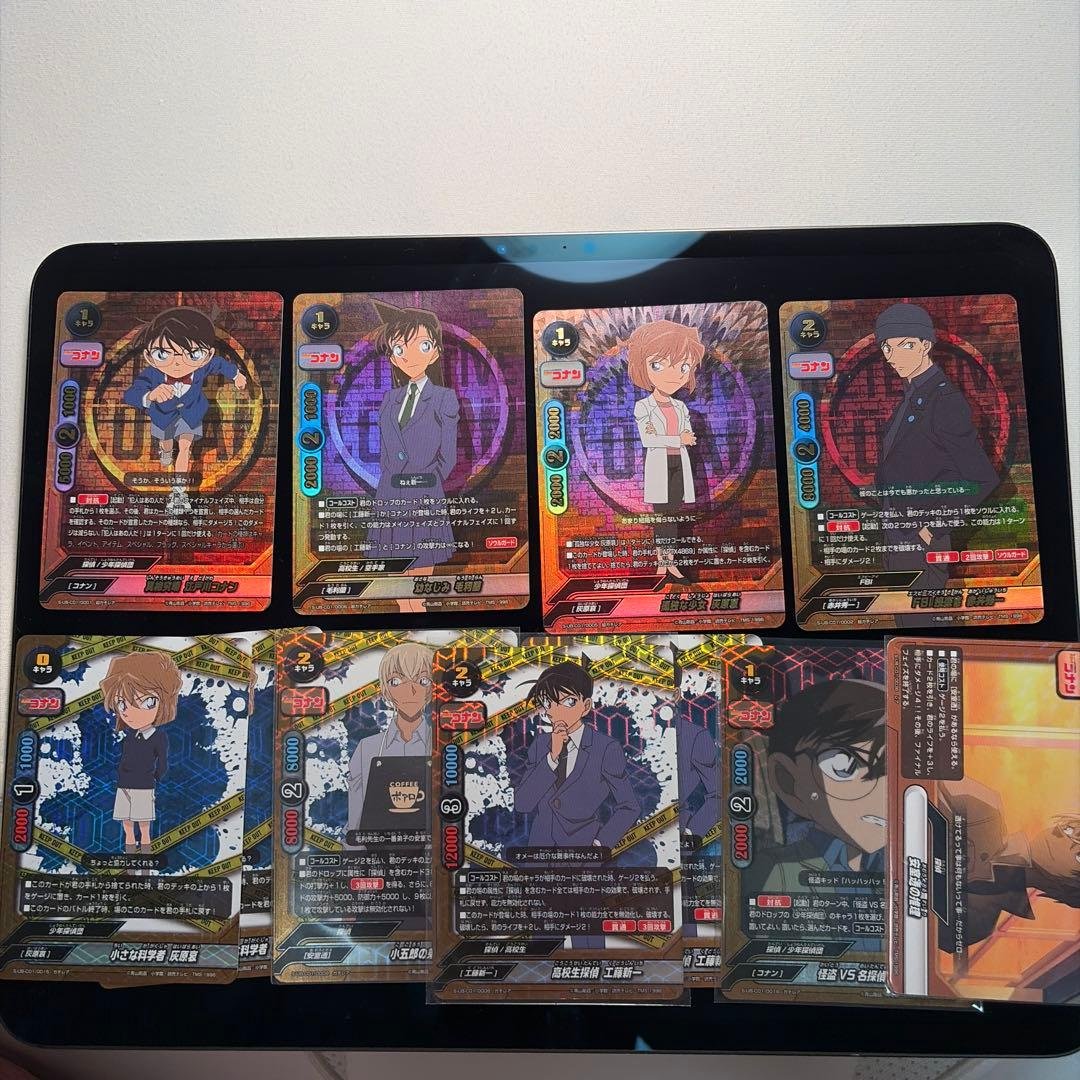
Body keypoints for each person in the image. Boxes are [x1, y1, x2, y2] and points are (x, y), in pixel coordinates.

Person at [873, 303, 998, 612]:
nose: (891, 355)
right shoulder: (912, 397)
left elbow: (982, 479)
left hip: (920, 537)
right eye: (886, 347)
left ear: (925, 345)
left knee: (920, 624)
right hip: (897, 533)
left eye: (904, 345)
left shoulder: (944, 400)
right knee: (904, 622)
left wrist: (932, 528)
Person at [747, 679, 887, 895]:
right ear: (788, 780)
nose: (882, 793)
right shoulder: (778, 868)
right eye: (844, 766)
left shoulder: (890, 867)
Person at [123, 307, 247, 513]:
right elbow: (130, 394)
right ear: (149, 356)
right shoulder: (151, 374)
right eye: (164, 354)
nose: (178, 363)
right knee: (166, 443)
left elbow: (219, 364)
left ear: (206, 355)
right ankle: (165, 451)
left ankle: (178, 493)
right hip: (162, 416)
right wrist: (150, 395)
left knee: (184, 448)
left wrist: (236, 375)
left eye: (192, 354)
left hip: (191, 414)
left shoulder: (204, 366)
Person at [366, 299, 459, 571]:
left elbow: (449, 453)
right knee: (393, 571)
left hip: (425, 489)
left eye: (422, 346)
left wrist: (431, 480)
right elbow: (386, 447)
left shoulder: (444, 398)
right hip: (390, 492)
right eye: (399, 348)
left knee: (421, 571)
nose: (409, 356)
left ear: (435, 352)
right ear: (393, 356)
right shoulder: (390, 399)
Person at [937, 780, 1080, 950]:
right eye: (1071, 829)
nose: (1063, 835)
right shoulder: (984, 806)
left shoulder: (978, 925)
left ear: (1072, 888)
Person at [513, 659, 640, 849]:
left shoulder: (605, 748)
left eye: (568, 702)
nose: (556, 711)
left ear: (586, 706)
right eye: (548, 702)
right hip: (539, 855)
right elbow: (523, 803)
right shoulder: (540, 745)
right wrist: (551, 758)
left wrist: (600, 844)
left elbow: (629, 806)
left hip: (583, 852)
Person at [626, 320, 705, 580]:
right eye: (659, 365)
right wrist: (679, 438)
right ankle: (664, 564)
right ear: (644, 367)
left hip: (678, 465)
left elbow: (687, 436)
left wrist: (682, 439)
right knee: (663, 516)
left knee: (674, 515)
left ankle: (671, 564)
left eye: (683, 367)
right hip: (660, 466)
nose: (674, 375)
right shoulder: (643, 406)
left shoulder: (681, 407)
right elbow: (649, 439)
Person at [347, 641, 434, 835]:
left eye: (423, 681)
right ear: (385, 689)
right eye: (396, 681)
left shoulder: (444, 747)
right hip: (376, 848)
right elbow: (355, 820)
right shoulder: (367, 748)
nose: (410, 691)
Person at [101, 651, 183, 854]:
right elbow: (125, 758)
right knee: (127, 827)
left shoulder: (158, 737)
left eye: (147, 702)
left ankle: (145, 865)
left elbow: (162, 763)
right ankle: (131, 866)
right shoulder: (130, 736)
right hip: (124, 784)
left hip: (144, 786)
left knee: (144, 829)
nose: (129, 712)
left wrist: (153, 778)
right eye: (121, 704)